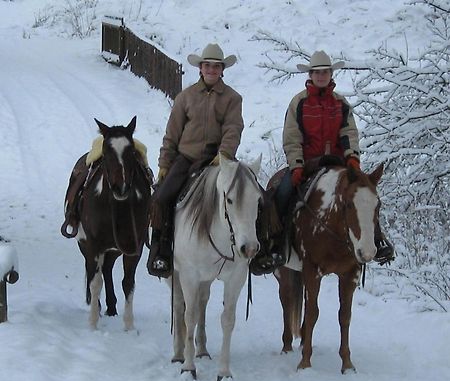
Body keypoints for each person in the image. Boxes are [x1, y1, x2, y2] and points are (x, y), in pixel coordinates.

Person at [252, 50, 394, 272]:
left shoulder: (340, 103)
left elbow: (349, 133)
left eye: (325, 72)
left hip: (338, 165)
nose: (321, 76)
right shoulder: (299, 102)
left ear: (330, 74)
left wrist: (352, 159)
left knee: (365, 195)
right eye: (317, 72)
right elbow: (292, 137)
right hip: (308, 163)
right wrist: (297, 165)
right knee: (282, 192)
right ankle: (275, 245)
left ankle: (377, 239)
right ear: (310, 75)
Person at [147, 43, 244, 278]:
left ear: (222, 70)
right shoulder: (185, 97)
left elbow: (233, 128)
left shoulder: (232, 98)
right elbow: (172, 133)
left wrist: (224, 156)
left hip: (218, 160)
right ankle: (161, 251)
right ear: (200, 68)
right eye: (207, 65)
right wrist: (164, 164)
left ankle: (255, 248)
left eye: (216, 66)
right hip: (186, 158)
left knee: (252, 195)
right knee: (161, 199)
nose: (211, 70)